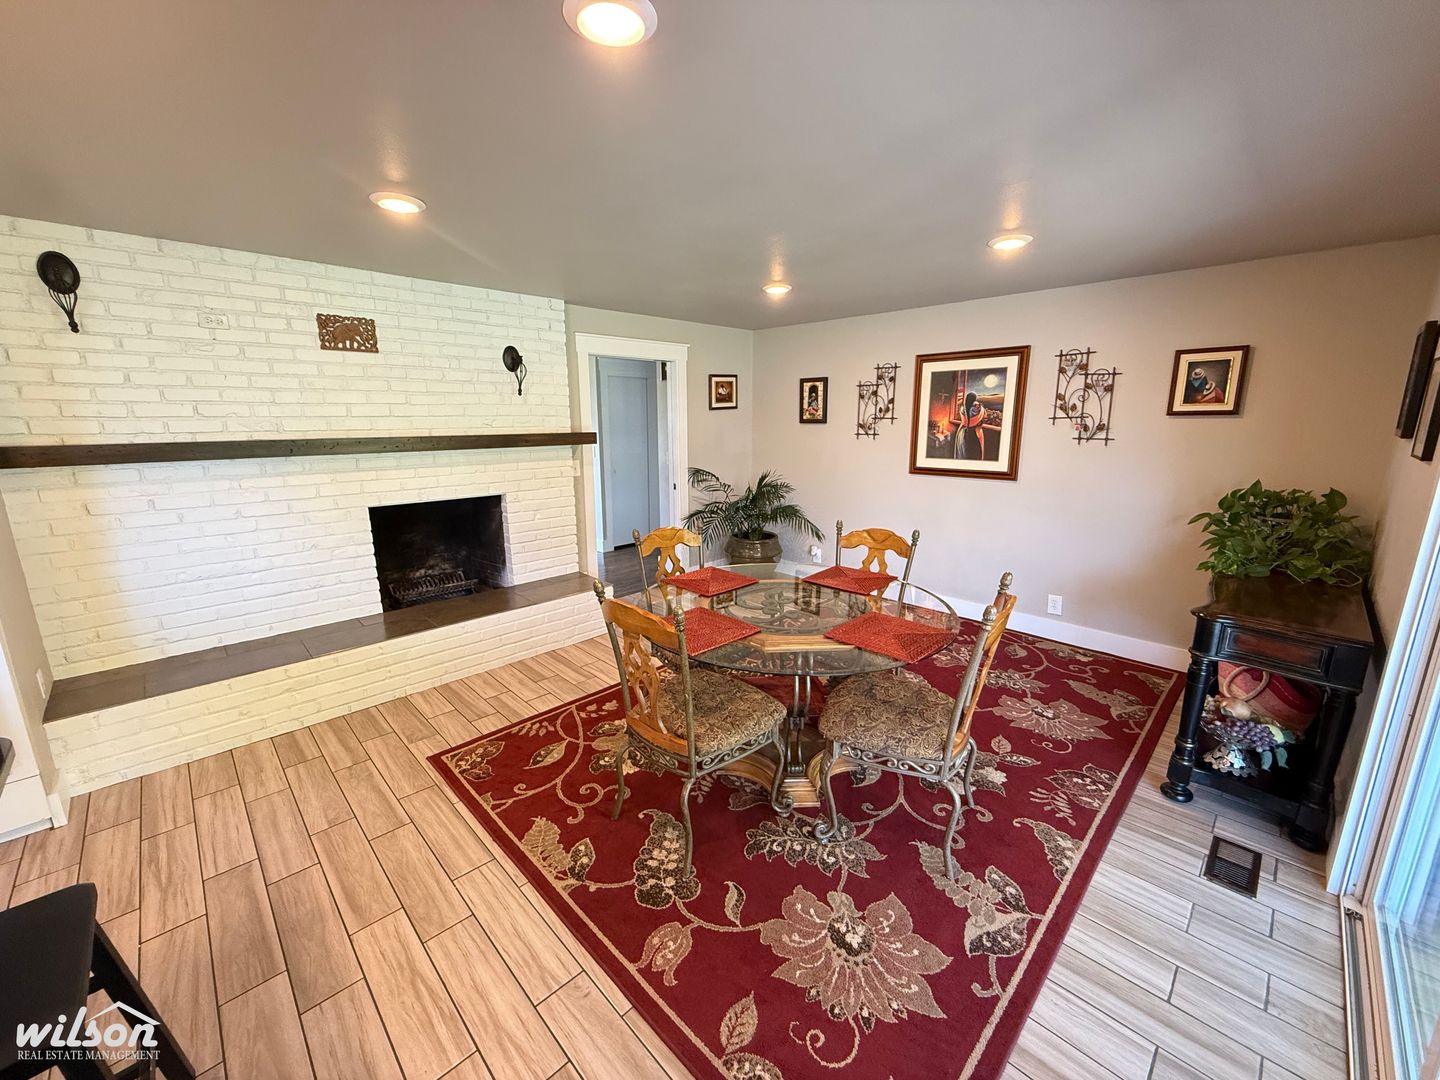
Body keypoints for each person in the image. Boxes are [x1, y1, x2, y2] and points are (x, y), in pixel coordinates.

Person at [959, 391, 986, 459]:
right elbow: (983, 415)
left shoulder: (962, 408)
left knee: (962, 453)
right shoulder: (977, 409)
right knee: (974, 454)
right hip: (974, 433)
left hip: (962, 432)